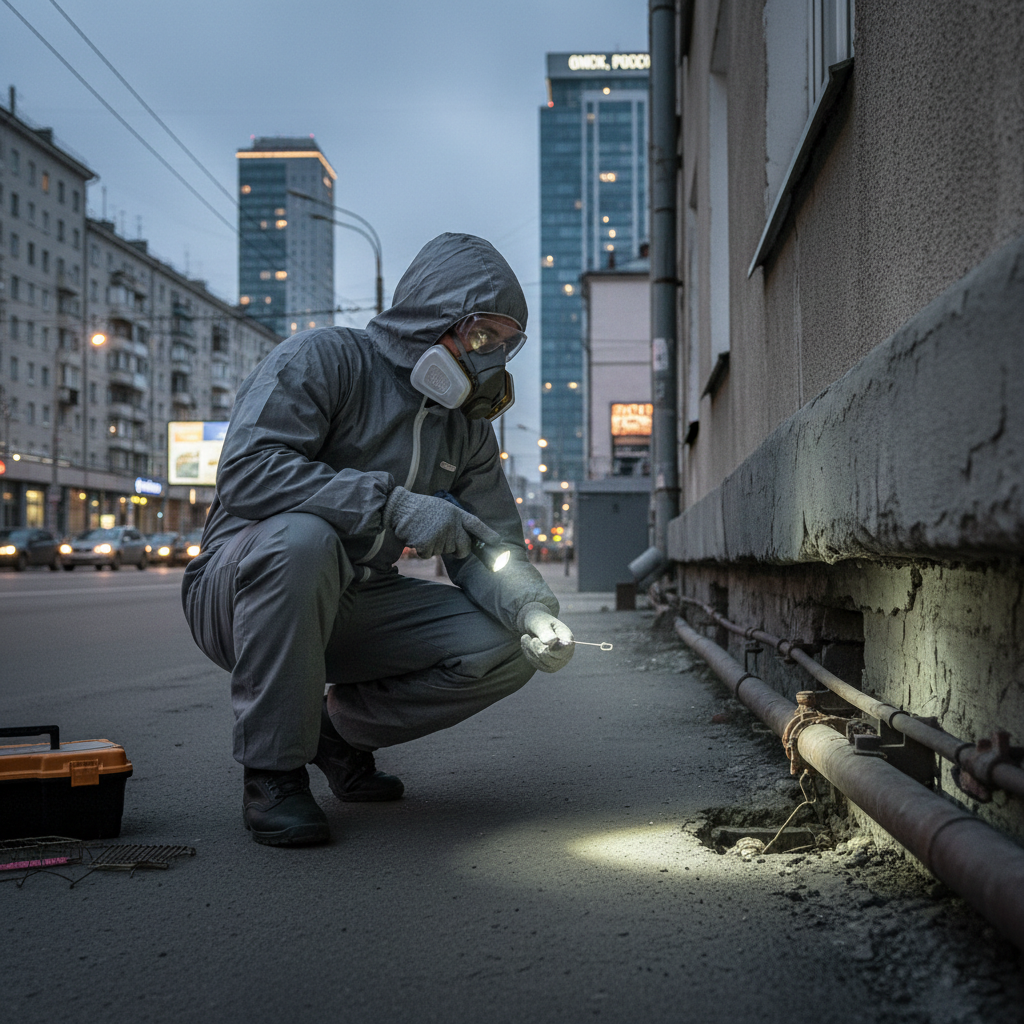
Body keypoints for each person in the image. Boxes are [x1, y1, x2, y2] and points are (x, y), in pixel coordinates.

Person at [182, 233, 575, 846]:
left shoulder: (466, 432)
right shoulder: (324, 359)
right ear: (431, 318)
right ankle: (273, 774)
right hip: (241, 591)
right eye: (479, 336)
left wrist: (531, 606)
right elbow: (248, 470)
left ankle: (332, 734)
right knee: (303, 540)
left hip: (357, 601)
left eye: (503, 344)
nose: (490, 358)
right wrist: (389, 504)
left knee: (506, 642)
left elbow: (491, 545)